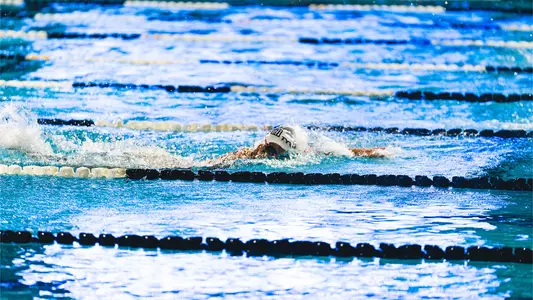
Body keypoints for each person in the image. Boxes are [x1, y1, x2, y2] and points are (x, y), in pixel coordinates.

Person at [207, 125, 388, 167]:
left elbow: (347, 152)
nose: (268, 155)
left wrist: (375, 152)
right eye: (269, 149)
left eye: (275, 152)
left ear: (287, 151)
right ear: (264, 143)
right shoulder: (248, 153)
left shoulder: (304, 154)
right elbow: (215, 161)